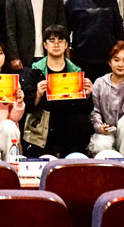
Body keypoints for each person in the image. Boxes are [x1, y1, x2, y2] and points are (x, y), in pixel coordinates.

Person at [20, 24, 94, 157]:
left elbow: (85, 109)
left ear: (66, 45)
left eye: (60, 40)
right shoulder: (34, 71)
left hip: (68, 122)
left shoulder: (76, 72)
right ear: (45, 44)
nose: (56, 44)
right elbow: (28, 107)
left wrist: (87, 95)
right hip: (43, 124)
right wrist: (37, 95)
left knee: (82, 122)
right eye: (52, 40)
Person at [65, 0, 124, 80]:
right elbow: (66, 34)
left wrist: (118, 58)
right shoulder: (72, 1)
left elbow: (118, 30)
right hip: (80, 60)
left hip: (108, 61)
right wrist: (68, 61)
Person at [88, 42, 124, 156]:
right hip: (107, 133)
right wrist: (99, 127)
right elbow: (95, 111)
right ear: (110, 62)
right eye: (116, 60)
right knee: (100, 145)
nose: (120, 64)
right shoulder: (99, 82)